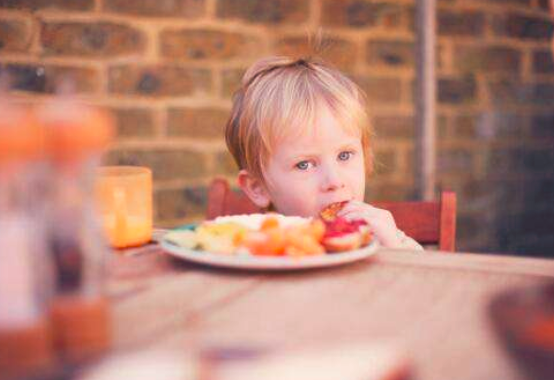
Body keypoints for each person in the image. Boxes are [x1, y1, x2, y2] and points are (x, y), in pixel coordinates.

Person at [225, 56, 422, 250]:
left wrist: (393, 250)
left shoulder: (384, 237)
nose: (334, 181)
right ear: (258, 187)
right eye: (304, 165)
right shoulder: (254, 251)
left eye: (344, 155)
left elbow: (424, 280)